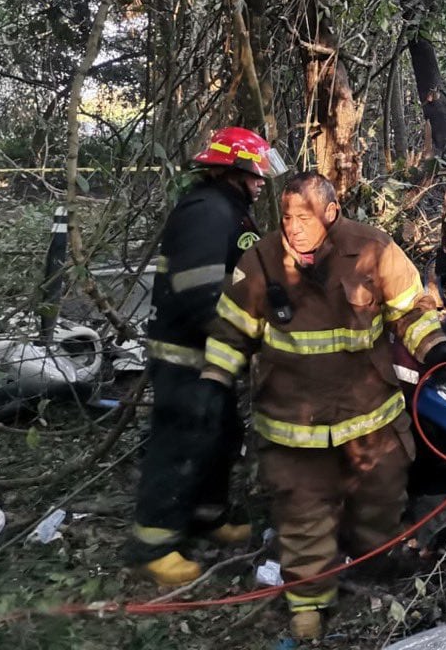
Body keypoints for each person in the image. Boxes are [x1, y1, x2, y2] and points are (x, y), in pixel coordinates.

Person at [199, 171, 446, 641]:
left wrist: (436, 348)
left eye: (304, 217)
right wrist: (215, 380)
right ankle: (308, 604)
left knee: (379, 505)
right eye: (286, 217)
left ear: (331, 212)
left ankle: (371, 569)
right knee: (302, 513)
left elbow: (410, 310)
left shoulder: (373, 249)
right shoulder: (260, 261)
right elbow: (230, 330)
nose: (294, 227)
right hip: (293, 424)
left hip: (370, 418)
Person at [128, 127, 287, 585]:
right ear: (233, 171)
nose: (261, 183)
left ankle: (207, 516)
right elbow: (201, 294)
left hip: (212, 352)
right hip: (187, 354)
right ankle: (153, 545)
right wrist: (247, 335)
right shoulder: (207, 211)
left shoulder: (227, 209)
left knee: (218, 435)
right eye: (256, 175)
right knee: (182, 441)